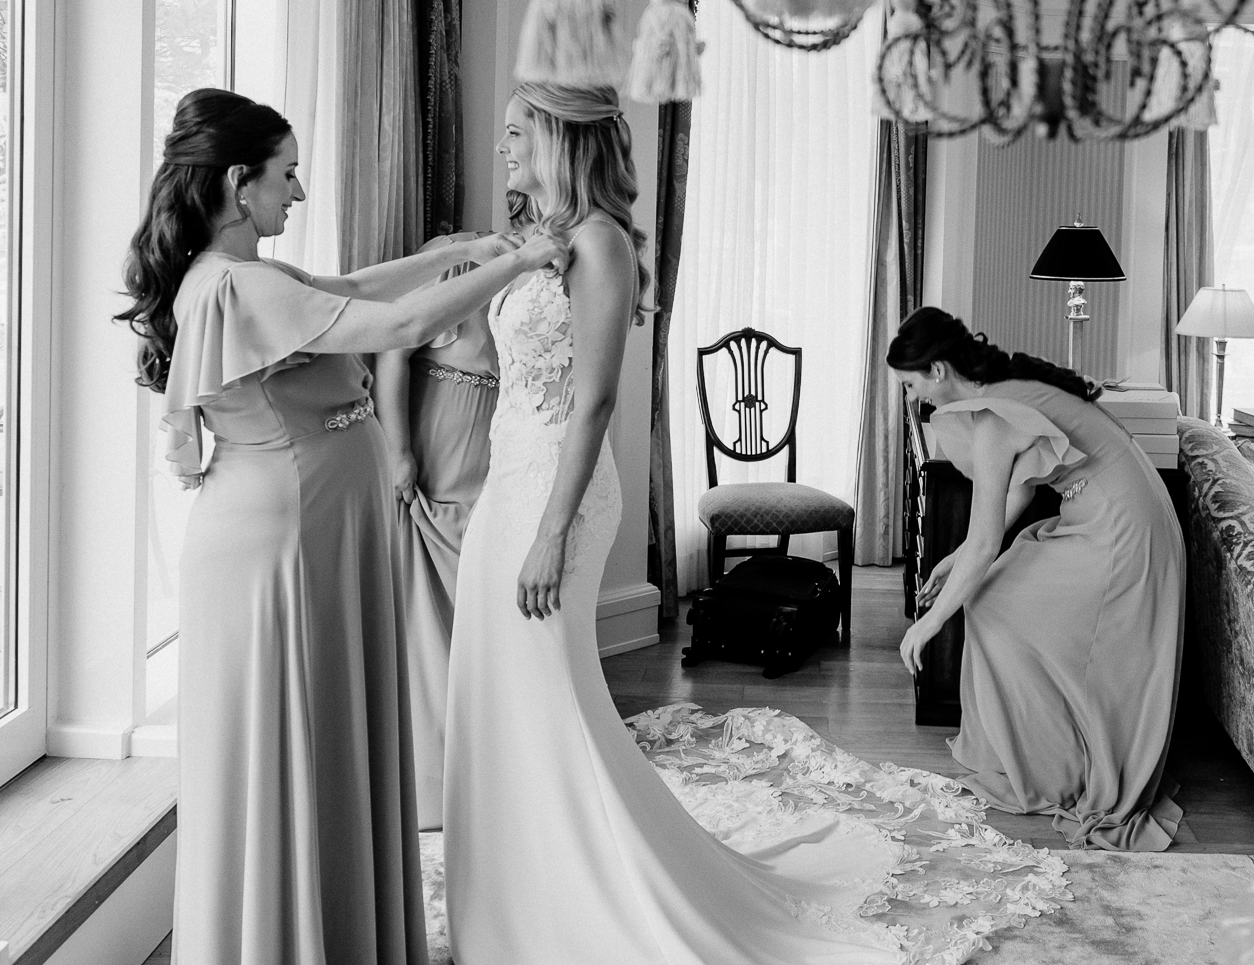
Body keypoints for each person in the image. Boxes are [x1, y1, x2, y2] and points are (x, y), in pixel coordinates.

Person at [440, 84, 1062, 965]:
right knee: (501, 688)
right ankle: (508, 881)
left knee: (543, 690)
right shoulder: (532, 247)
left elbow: (595, 402)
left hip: (557, 494)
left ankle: (575, 889)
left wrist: (550, 529)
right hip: (512, 483)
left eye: (514, 131)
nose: (500, 146)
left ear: (558, 139)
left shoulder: (600, 242)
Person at [117, 89, 564, 965]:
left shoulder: (247, 276)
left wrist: (466, 250)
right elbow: (395, 323)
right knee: (296, 744)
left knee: (317, 739)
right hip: (282, 542)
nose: (300, 192)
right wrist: (517, 264)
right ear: (240, 184)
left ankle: (322, 931)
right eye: (286, 176)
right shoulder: (235, 285)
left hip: (302, 528)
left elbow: (357, 288)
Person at [890, 307, 1187, 851]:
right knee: (992, 597)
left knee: (995, 605)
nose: (913, 399)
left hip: (1120, 527)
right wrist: (954, 560)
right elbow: (1019, 494)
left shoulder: (991, 415)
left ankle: (1063, 764)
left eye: (911, 385)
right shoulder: (1001, 388)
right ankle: (1041, 752)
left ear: (936, 370)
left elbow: (985, 542)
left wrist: (926, 626)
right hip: (1109, 512)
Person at [372, 232, 501, 831]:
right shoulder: (453, 262)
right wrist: (399, 452)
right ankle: (433, 784)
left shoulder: (523, 276)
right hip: (437, 486)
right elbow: (392, 352)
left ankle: (487, 770)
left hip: (489, 487)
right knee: (429, 636)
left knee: (479, 634)